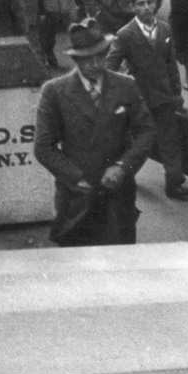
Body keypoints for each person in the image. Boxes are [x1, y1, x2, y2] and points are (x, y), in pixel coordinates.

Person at [33, 21, 157, 247]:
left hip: (117, 193)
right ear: (76, 59)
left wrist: (122, 166)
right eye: (87, 59)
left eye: (100, 56)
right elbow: (43, 147)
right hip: (77, 197)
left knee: (120, 263)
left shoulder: (125, 86)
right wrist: (76, 178)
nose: (95, 64)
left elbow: (145, 131)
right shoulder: (54, 91)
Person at [107, 0, 188, 201]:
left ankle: (174, 183)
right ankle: (125, 177)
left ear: (155, 3)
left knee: (170, 141)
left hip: (164, 97)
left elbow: (171, 63)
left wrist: (177, 92)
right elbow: (110, 66)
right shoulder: (125, 34)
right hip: (139, 100)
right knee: (139, 143)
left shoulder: (165, 29)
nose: (146, 7)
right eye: (140, 4)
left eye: (149, 2)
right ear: (133, 7)